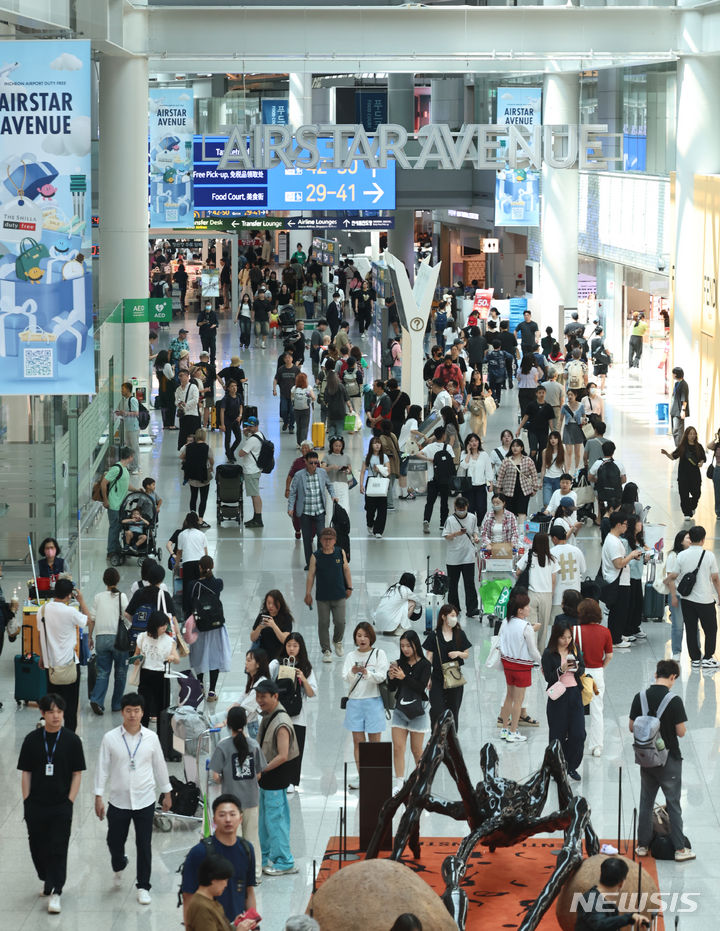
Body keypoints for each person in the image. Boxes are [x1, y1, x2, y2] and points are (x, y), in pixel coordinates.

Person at [94, 693, 172, 905]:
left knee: (144, 843)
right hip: (118, 800)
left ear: (142, 713)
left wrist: (167, 792)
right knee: (114, 840)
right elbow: (102, 767)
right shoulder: (110, 738)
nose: (132, 715)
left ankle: (143, 885)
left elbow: (159, 766)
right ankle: (119, 862)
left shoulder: (151, 738)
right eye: (128, 710)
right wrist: (98, 795)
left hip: (145, 799)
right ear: (122, 712)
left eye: (136, 711)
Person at [18, 693, 86, 914]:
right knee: (37, 847)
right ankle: (46, 878)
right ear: (42, 714)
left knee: (58, 847)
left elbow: (77, 773)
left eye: (59, 712)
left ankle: (57, 890)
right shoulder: (31, 740)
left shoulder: (72, 741)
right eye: (51, 712)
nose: (56, 716)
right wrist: (27, 801)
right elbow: (26, 772)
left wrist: (69, 801)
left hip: (60, 805)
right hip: (36, 804)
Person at [630, 659, 695, 862]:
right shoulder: (673, 700)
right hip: (669, 761)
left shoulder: (639, 697)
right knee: (673, 804)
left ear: (656, 673)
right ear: (673, 677)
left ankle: (642, 846)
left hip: (646, 759)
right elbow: (681, 732)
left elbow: (632, 727)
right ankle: (679, 849)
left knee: (646, 803)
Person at [209, 711, 266, 883]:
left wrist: (226, 778)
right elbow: (259, 775)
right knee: (252, 838)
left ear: (228, 725)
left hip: (231, 804)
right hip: (251, 799)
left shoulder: (222, 746)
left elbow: (215, 776)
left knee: (233, 839)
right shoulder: (254, 744)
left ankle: (236, 874)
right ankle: (255, 874)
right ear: (245, 723)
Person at [255, 680, 300, 875]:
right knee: (264, 821)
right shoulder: (268, 715)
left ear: (275, 696)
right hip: (266, 779)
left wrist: (262, 769)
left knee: (276, 821)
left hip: (275, 778)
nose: (259, 701)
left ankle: (284, 861)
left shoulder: (281, 723)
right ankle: (265, 857)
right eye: (258, 697)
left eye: (263, 697)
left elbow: (282, 755)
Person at [36, 578, 90, 733]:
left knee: (52, 705)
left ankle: (52, 732)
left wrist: (42, 657)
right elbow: (88, 619)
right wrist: (81, 600)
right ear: (69, 595)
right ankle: (69, 736)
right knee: (70, 706)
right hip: (69, 666)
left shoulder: (43, 610)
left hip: (50, 665)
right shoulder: (70, 612)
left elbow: (42, 636)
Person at [665, 524, 720, 669]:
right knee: (711, 629)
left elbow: (674, 575)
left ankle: (695, 659)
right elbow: (715, 578)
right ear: (703, 539)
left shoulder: (682, 555)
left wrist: (667, 579)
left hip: (687, 600)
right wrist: (719, 595)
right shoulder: (708, 555)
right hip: (705, 599)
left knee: (690, 628)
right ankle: (708, 657)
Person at [343, 622, 389, 787]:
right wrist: (353, 672)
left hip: (373, 701)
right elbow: (345, 677)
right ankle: (362, 775)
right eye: (359, 635)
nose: (362, 639)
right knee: (358, 742)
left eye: (365, 636)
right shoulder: (350, 656)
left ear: (371, 637)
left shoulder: (379, 654)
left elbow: (382, 676)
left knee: (374, 742)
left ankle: (375, 774)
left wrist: (367, 673)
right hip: (355, 702)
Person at [269, 633, 317, 791]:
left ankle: (292, 781)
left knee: (296, 748)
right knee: (278, 746)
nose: (291, 649)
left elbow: (312, 693)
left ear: (300, 648)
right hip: (279, 713)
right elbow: (266, 681)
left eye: (295, 646)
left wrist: (303, 679)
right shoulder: (276, 664)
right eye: (289, 645)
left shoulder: (306, 667)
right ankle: (278, 778)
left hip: (298, 715)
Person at [387, 631, 432, 793]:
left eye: (408, 646)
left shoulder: (425, 665)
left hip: (418, 711)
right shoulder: (398, 663)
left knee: (416, 749)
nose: (405, 649)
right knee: (398, 748)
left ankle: (421, 781)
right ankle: (399, 783)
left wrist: (403, 677)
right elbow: (392, 689)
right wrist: (391, 678)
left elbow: (421, 688)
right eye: (402, 646)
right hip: (400, 710)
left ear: (415, 645)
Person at [541, 622, 586, 781]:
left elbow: (583, 669)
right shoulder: (548, 653)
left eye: (569, 637)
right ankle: (556, 767)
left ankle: (571, 765)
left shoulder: (573, 649)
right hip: (558, 696)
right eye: (563, 637)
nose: (567, 640)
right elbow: (548, 677)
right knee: (557, 734)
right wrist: (562, 669)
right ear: (556, 637)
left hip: (574, 693)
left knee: (578, 733)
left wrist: (577, 668)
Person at [498, 590, 542, 743]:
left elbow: (500, 641)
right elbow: (533, 651)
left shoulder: (505, 622)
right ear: (520, 610)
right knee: (518, 700)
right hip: (522, 666)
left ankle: (504, 729)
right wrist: (543, 662)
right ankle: (513, 731)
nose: (529, 608)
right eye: (527, 606)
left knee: (509, 697)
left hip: (507, 664)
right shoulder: (526, 627)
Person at [305, 526, 352, 663]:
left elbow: (346, 570)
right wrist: (308, 593)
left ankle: (337, 640)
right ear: (320, 540)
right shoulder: (316, 556)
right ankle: (326, 650)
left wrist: (349, 587)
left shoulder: (340, 552)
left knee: (340, 622)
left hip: (339, 594)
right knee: (323, 623)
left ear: (335, 540)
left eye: (330, 539)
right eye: (325, 539)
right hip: (323, 597)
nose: (327, 542)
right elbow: (310, 576)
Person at [422, 604, 471, 731]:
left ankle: (451, 740)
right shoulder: (434, 635)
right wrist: (427, 677)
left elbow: (466, 654)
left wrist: (458, 653)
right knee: (437, 709)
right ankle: (436, 738)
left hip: (454, 677)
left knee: (453, 711)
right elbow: (429, 658)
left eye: (456, 616)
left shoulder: (460, 634)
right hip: (437, 677)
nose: (455, 619)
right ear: (443, 617)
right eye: (452, 616)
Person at [88, 568, 129, 716]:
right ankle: (117, 704)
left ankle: (97, 700)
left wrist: (90, 637)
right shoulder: (122, 596)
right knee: (120, 673)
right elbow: (127, 616)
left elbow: (91, 619)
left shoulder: (98, 597)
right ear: (117, 580)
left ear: (104, 581)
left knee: (103, 672)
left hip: (101, 639)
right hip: (118, 639)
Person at [574, 598, 612, 758]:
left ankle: (576, 741)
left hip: (578, 673)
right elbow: (609, 655)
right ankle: (597, 746)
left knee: (576, 709)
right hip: (596, 673)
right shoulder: (605, 632)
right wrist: (601, 667)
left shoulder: (575, 631)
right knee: (597, 709)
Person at [190, 555, 232, 701]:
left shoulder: (194, 585)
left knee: (199, 654)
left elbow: (190, 604)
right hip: (216, 625)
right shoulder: (219, 583)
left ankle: (200, 684)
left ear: (199, 568)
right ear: (212, 566)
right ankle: (212, 691)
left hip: (200, 625)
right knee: (214, 656)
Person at [288, 450, 337, 568]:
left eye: (316, 463)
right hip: (305, 512)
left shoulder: (322, 473)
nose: (314, 465)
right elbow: (293, 492)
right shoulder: (299, 475)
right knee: (307, 538)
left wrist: (333, 495)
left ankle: (321, 561)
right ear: (306, 462)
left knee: (322, 537)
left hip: (319, 510)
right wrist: (290, 508)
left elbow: (329, 485)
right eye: (311, 463)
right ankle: (310, 563)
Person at [184, 853, 258, 931]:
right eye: (225, 880)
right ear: (213, 879)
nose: (226, 885)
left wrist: (235, 926)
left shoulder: (208, 901)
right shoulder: (201, 908)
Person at [601, 512, 643, 647]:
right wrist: (631, 555)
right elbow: (618, 564)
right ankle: (615, 640)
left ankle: (617, 635)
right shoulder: (613, 542)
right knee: (618, 611)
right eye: (625, 524)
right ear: (618, 525)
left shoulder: (614, 539)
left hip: (620, 580)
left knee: (620, 611)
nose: (626, 527)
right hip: (617, 581)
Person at [574, 857, 649, 931]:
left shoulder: (600, 899)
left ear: (601, 874)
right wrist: (629, 917)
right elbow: (600, 924)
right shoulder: (590, 899)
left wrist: (630, 918)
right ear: (621, 883)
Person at [133, 609, 179, 727]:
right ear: (154, 626)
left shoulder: (168, 640)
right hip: (145, 675)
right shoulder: (142, 637)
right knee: (143, 707)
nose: (164, 628)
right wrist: (136, 659)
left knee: (161, 709)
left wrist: (172, 657)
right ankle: (142, 733)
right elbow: (136, 655)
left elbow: (177, 659)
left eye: (165, 625)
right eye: (162, 625)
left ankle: (161, 737)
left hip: (161, 676)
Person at [515, 533, 558, 647]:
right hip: (547, 595)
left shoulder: (528, 556)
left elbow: (518, 572)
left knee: (531, 625)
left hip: (531, 595)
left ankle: (530, 652)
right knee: (543, 628)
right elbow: (554, 580)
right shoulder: (552, 559)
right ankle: (540, 653)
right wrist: (552, 595)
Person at [443, 496, 480, 619]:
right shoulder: (450, 520)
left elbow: (475, 531)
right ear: (455, 507)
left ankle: (472, 608)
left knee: (469, 583)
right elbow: (446, 536)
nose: (461, 511)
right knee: (453, 584)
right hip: (453, 557)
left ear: (467, 507)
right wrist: (457, 534)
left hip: (468, 556)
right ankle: (454, 608)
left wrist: (475, 537)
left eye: (463, 508)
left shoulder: (472, 518)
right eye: (459, 509)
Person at [661, 426, 706, 519]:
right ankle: (687, 513)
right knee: (684, 495)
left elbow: (703, 458)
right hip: (683, 475)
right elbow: (673, 457)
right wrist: (666, 454)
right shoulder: (682, 447)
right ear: (686, 435)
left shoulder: (699, 446)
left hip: (695, 475)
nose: (692, 436)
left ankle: (692, 506)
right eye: (690, 434)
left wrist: (701, 463)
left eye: (694, 434)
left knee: (697, 493)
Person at [102, 446, 136, 561]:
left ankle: (116, 549)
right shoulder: (117, 468)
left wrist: (137, 490)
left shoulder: (124, 469)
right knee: (114, 528)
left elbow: (126, 486)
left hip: (120, 505)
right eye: (133, 456)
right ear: (130, 456)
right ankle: (111, 551)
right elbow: (103, 483)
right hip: (113, 504)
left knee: (118, 527)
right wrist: (106, 500)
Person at [418, 426, 454, 534]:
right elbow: (451, 462)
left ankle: (426, 520)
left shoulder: (429, 447)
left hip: (432, 479)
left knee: (430, 502)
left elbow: (418, 454)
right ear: (444, 436)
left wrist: (429, 459)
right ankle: (443, 524)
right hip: (444, 480)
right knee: (444, 502)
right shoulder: (448, 448)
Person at [496, 438, 539, 523]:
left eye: (517, 446)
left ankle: (521, 533)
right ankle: (512, 531)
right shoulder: (506, 461)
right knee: (510, 513)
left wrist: (535, 488)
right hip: (509, 491)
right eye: (513, 446)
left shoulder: (528, 460)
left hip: (524, 490)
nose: (515, 448)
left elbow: (534, 475)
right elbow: (500, 476)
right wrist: (498, 489)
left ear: (522, 448)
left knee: (522, 512)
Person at [663, 529, 690, 660]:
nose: (690, 540)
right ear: (680, 541)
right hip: (677, 595)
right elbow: (670, 577)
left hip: (690, 596)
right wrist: (673, 596)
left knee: (693, 626)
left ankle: (695, 652)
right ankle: (676, 651)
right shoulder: (673, 555)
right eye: (687, 538)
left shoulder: (690, 555)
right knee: (678, 626)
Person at [236, 416, 266, 529]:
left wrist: (246, 439)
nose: (249, 428)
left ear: (256, 426)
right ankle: (256, 517)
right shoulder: (260, 435)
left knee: (255, 495)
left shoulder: (252, 440)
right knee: (254, 494)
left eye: (251, 426)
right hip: (255, 469)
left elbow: (241, 453)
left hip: (251, 470)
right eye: (248, 425)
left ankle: (258, 519)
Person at [177, 511, 209, 617]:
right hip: (200, 563)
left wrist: (176, 564)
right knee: (201, 585)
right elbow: (205, 553)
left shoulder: (182, 534)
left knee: (187, 587)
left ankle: (188, 611)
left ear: (186, 521)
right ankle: (201, 606)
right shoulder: (202, 534)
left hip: (187, 563)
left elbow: (179, 552)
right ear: (196, 521)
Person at [180, 428, 214, 527]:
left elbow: (181, 457)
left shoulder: (189, 447)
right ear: (204, 436)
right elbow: (211, 460)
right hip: (203, 476)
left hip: (191, 475)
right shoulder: (207, 448)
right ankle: (200, 520)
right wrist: (211, 466)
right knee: (203, 498)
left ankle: (192, 518)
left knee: (193, 497)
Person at [457, 433, 493, 521]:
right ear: (468, 443)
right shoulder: (464, 454)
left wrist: (490, 484)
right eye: (472, 441)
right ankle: (472, 526)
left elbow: (488, 470)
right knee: (470, 508)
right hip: (468, 486)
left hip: (481, 485)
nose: (474, 443)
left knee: (481, 508)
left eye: (476, 441)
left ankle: (479, 524)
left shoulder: (484, 455)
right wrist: (468, 453)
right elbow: (464, 465)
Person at [550, 526, 587, 611]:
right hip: (575, 595)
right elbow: (583, 569)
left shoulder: (551, 552)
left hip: (558, 598)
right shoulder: (576, 550)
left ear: (554, 538)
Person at [517, 385, 555, 467]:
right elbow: (526, 417)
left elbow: (550, 420)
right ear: (536, 394)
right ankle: (532, 466)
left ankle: (540, 467)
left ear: (545, 393)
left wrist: (553, 432)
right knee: (533, 450)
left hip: (544, 432)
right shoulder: (531, 405)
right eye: (539, 393)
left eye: (543, 393)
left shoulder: (548, 407)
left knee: (543, 451)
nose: (541, 394)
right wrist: (519, 428)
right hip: (532, 431)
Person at [360, 436, 391, 538]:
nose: (377, 445)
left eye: (379, 443)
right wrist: (361, 485)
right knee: (370, 508)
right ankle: (370, 524)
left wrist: (379, 470)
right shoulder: (367, 456)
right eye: (375, 443)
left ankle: (378, 530)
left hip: (382, 482)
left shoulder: (384, 457)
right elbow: (363, 471)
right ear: (371, 445)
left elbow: (388, 471)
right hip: (371, 481)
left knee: (382, 508)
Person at [249, 590, 293, 661]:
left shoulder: (286, 618)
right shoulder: (262, 616)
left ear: (279, 603)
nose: (270, 606)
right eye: (268, 603)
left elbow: (284, 640)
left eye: (273, 603)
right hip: (263, 656)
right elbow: (252, 638)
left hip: (279, 656)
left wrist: (273, 626)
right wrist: (259, 628)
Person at [241, 650, 271, 739]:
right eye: (246, 660)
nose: (246, 663)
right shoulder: (253, 680)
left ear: (258, 664)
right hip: (252, 724)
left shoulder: (261, 683)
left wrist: (227, 721)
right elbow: (242, 698)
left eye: (249, 660)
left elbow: (246, 706)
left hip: (256, 726)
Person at [115, 382, 141, 474]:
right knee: (129, 448)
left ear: (128, 390)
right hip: (128, 427)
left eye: (123, 389)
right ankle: (132, 466)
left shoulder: (132, 400)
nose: (121, 391)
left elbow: (136, 413)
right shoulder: (125, 400)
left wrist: (124, 413)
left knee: (134, 448)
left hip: (133, 427)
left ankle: (136, 467)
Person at [560, 389, 586, 475]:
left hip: (577, 428)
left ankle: (576, 469)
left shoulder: (581, 406)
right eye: (568, 395)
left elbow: (584, 417)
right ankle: (567, 470)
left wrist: (584, 421)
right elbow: (560, 420)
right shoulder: (564, 406)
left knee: (577, 451)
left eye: (572, 395)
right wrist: (558, 431)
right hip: (568, 428)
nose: (570, 396)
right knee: (568, 451)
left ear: (575, 395)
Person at [273, 351, 301, 434]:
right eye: (286, 358)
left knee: (293, 412)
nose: (288, 359)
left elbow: (300, 380)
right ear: (284, 359)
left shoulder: (296, 369)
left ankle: (291, 426)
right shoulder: (281, 369)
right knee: (284, 410)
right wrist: (274, 389)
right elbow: (276, 379)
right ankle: (286, 422)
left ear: (292, 359)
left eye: (289, 357)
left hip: (293, 395)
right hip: (284, 394)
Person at [219, 379, 243, 462]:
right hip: (227, 421)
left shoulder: (239, 396)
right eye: (232, 386)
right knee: (227, 439)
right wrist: (222, 424)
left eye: (235, 386)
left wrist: (240, 416)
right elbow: (222, 411)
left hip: (236, 421)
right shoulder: (226, 399)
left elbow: (241, 406)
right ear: (228, 388)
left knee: (239, 438)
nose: (234, 388)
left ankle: (230, 452)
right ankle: (230, 456)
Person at [291, 373, 315, 447]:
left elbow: (291, 398)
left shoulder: (294, 388)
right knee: (305, 426)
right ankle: (303, 443)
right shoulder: (308, 388)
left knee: (299, 426)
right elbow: (314, 397)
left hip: (296, 409)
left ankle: (298, 443)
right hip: (305, 409)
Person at [197, 300, 219, 364]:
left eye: (209, 305)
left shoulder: (214, 314)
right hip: (204, 334)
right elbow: (198, 324)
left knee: (213, 348)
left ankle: (212, 361)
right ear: (205, 305)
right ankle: (205, 361)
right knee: (205, 348)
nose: (208, 306)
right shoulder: (201, 314)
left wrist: (214, 325)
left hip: (212, 333)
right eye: (207, 305)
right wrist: (203, 322)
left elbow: (217, 323)